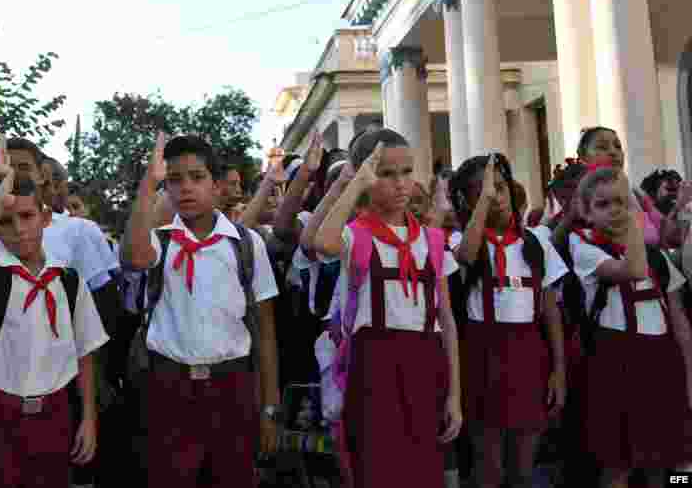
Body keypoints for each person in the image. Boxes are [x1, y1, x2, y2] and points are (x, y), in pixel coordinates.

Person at [121, 133, 281, 487]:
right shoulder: (160, 241)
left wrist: (270, 406)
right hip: (168, 387)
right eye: (174, 180)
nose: (186, 188)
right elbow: (133, 257)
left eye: (197, 177)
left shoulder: (245, 244)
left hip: (233, 386)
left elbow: (266, 330)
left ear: (216, 185)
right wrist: (148, 185)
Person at [313, 129, 462, 488]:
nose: (400, 183)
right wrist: (355, 183)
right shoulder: (355, 234)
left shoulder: (432, 240)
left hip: (426, 364)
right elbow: (322, 242)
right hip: (373, 367)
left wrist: (455, 395)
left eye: (407, 171)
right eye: (386, 173)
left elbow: (446, 319)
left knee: (424, 473)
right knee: (378, 471)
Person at [0, 171, 104, 486]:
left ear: (45, 218)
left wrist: (88, 419)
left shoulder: (69, 281)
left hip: (55, 413)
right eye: (6, 222)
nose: (19, 229)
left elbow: (86, 353)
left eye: (27, 216)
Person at [448, 154, 568, 488]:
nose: (495, 197)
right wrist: (482, 205)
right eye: (482, 192)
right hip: (481, 354)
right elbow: (466, 256)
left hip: (528, 353)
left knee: (524, 468)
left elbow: (550, 313)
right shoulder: (460, 240)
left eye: (500, 188)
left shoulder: (537, 242)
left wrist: (558, 370)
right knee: (489, 466)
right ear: (466, 200)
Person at [569, 166, 692, 487]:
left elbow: (679, 321)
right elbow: (633, 269)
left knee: (673, 460)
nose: (614, 210)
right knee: (619, 463)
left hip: (663, 363)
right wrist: (636, 222)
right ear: (586, 212)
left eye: (621, 202)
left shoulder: (657, 258)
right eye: (603, 204)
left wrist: (689, 375)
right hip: (616, 364)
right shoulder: (585, 249)